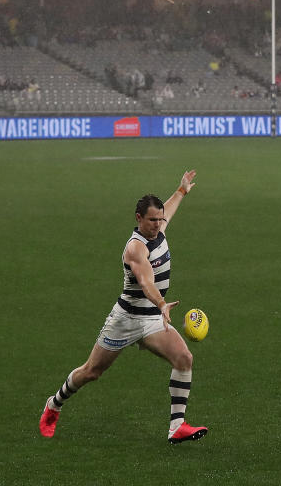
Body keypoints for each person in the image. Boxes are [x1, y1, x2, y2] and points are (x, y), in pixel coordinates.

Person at [39, 171, 208, 444]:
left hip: (152, 318)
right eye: (152, 220)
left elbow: (170, 209)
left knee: (184, 359)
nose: (158, 224)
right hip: (126, 319)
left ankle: (177, 426)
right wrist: (163, 303)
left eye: (160, 219)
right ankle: (54, 404)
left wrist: (181, 190)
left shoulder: (159, 228)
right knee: (92, 372)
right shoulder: (135, 249)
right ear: (139, 218)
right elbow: (146, 283)